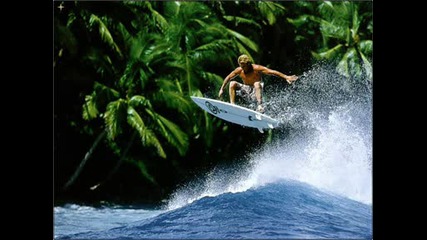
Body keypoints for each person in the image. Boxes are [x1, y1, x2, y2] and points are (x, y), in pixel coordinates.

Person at [218, 54, 298, 113]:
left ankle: (260, 106)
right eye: (241, 66)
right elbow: (228, 77)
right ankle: (233, 105)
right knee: (232, 83)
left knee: (256, 83)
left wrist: (286, 77)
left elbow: (272, 72)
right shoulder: (239, 70)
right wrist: (222, 88)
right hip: (246, 91)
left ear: (248, 64)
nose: (243, 68)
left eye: (244, 66)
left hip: (257, 92)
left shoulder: (256, 68)